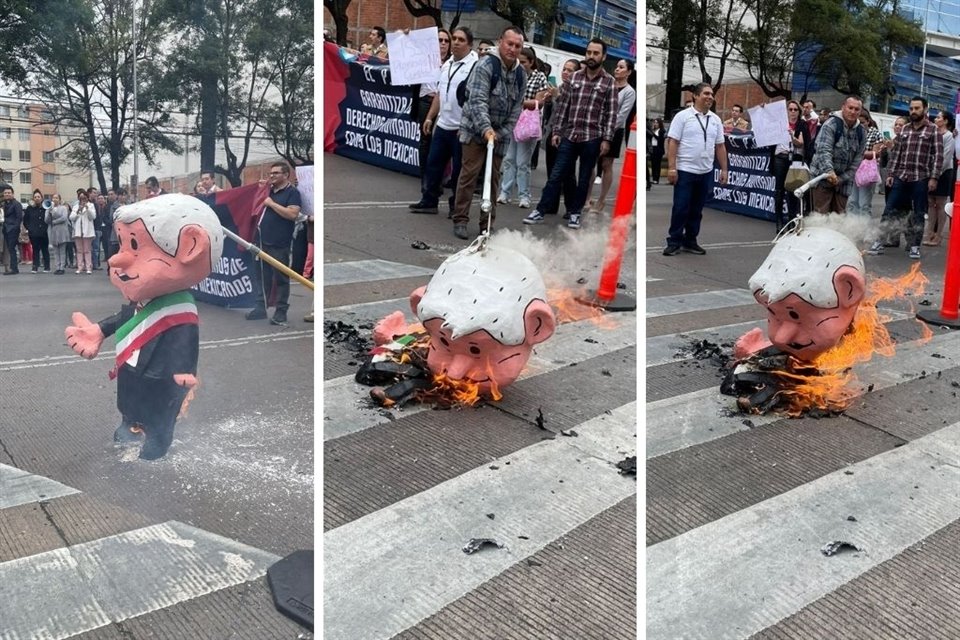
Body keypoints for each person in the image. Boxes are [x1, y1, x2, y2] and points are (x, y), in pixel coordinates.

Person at [64, 194, 224, 461]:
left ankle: (159, 438)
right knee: (131, 402)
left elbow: (185, 341)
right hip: (133, 371)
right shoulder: (140, 300)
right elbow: (125, 317)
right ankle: (130, 423)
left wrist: (185, 371)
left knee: (158, 416)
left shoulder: (180, 309)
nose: (116, 260)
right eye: (123, 244)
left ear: (191, 246)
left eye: (135, 245)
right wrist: (100, 330)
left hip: (162, 379)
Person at [522, 37, 617, 230]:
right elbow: (563, 107)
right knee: (556, 174)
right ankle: (540, 210)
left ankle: (575, 213)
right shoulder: (574, 78)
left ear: (603, 56)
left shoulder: (609, 83)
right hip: (570, 135)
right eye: (589, 52)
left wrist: (607, 139)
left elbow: (611, 114)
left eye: (596, 53)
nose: (591, 56)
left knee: (583, 178)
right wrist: (557, 131)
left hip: (592, 137)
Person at [451, 25, 526, 240]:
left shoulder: (521, 74)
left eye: (517, 46)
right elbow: (477, 101)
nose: (513, 49)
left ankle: (487, 223)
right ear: (501, 41)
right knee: (469, 175)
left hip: (499, 134)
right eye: (509, 44)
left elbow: (516, 109)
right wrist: (486, 130)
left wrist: (500, 132)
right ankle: (460, 219)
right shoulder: (485, 65)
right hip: (475, 129)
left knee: (493, 179)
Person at [408, 26, 478, 217]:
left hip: (461, 127)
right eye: (454, 38)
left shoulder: (475, 66)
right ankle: (429, 200)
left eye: (460, 40)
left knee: (458, 172)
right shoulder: (447, 65)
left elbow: (477, 99)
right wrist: (430, 117)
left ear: (470, 44)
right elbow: (440, 93)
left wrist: (467, 124)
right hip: (443, 124)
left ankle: (456, 207)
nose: (455, 42)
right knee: (433, 164)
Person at [868, 96, 943, 259]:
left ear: (925, 110)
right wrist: (891, 174)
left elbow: (938, 156)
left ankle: (915, 245)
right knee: (889, 210)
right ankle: (879, 242)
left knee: (918, 213)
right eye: (911, 109)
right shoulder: (905, 129)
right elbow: (897, 154)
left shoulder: (933, 130)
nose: (914, 111)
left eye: (917, 108)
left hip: (921, 178)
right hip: (901, 177)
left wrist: (934, 178)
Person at [659, 83, 728, 256]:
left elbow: (720, 146)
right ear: (695, 96)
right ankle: (674, 241)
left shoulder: (715, 120)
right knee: (681, 207)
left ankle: (690, 240)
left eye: (711, 94)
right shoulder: (683, 117)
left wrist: (724, 170)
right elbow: (672, 141)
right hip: (685, 170)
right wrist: (672, 168)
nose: (710, 97)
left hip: (705, 171)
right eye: (706, 93)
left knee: (697, 210)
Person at [246, 161, 302, 325]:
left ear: (286, 175)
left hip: (279, 243)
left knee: (281, 278)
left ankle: (281, 311)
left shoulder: (292, 193)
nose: (272, 176)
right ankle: (260, 307)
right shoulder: (267, 191)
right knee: (261, 277)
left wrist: (271, 204)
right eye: (271, 173)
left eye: (276, 173)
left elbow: (292, 214)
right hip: (261, 241)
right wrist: (261, 190)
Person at [498, 46, 550, 209]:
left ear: (532, 62)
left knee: (523, 162)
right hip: (512, 122)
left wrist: (518, 103)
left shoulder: (539, 77)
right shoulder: (513, 73)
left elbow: (539, 102)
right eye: (519, 61)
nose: (520, 64)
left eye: (524, 62)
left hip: (528, 125)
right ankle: (505, 192)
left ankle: (524, 195)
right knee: (509, 159)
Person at [586, 58, 637, 214]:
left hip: (615, 131)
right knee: (590, 163)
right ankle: (587, 198)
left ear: (628, 72)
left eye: (621, 67)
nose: (617, 69)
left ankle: (601, 201)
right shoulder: (608, 84)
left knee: (606, 165)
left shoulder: (630, 92)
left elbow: (622, 115)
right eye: (616, 66)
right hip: (597, 128)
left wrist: (608, 131)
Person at [539, 59, 582, 216]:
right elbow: (552, 114)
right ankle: (552, 204)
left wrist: (557, 98)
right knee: (552, 171)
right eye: (564, 69)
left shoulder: (577, 90)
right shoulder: (559, 88)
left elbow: (570, 113)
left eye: (570, 70)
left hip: (568, 136)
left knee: (567, 174)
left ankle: (572, 207)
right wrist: (549, 100)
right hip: (553, 133)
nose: (565, 72)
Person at [809, 95, 866, 214]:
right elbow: (823, 150)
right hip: (822, 177)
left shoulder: (861, 132)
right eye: (850, 108)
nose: (853, 111)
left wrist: (841, 178)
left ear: (860, 111)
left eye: (857, 109)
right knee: (821, 217)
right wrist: (830, 172)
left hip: (844, 182)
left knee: (839, 219)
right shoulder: (831, 124)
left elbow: (857, 161)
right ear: (843, 107)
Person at [772, 100, 812, 230]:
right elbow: (765, 123)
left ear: (799, 112)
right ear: (786, 111)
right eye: (790, 109)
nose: (793, 112)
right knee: (779, 191)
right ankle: (778, 222)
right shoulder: (779, 123)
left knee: (792, 190)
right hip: (780, 157)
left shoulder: (802, 125)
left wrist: (792, 135)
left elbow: (802, 143)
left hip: (794, 159)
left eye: (795, 109)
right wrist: (763, 109)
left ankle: (791, 220)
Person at [923, 110, 955, 246]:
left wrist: (936, 174)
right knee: (930, 203)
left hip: (944, 173)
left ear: (946, 121)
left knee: (940, 204)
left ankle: (939, 235)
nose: (936, 119)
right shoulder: (934, 134)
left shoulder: (949, 136)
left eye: (939, 117)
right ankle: (930, 232)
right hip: (931, 172)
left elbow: (946, 157)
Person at [846, 110, 883, 217]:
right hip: (853, 170)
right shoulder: (852, 131)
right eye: (858, 122)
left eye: (862, 122)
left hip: (866, 172)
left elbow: (876, 153)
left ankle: (864, 230)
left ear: (868, 121)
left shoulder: (874, 132)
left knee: (864, 204)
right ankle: (852, 227)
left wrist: (859, 154)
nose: (860, 124)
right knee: (852, 202)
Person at [23, 189, 50, 273]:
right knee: (35, 250)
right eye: (35, 197)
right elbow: (25, 221)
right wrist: (29, 229)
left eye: (38, 197)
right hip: (33, 233)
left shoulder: (46, 208)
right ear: (33, 198)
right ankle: (35, 266)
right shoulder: (29, 208)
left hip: (44, 233)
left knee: (45, 249)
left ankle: (47, 266)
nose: (37, 198)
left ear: (41, 198)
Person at [70, 190, 97, 274]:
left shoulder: (91, 205)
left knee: (87, 250)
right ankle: (80, 267)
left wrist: (87, 208)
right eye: (81, 198)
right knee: (79, 250)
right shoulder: (75, 206)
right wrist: (78, 210)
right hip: (78, 231)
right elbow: (71, 218)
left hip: (87, 231)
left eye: (84, 198)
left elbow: (92, 217)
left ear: (87, 197)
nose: (82, 200)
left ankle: (88, 267)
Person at [45, 193, 71, 275]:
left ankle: (62, 267)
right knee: (56, 251)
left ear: (59, 200)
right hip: (53, 231)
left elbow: (64, 218)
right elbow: (46, 220)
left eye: (56, 198)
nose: (54, 199)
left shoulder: (63, 208)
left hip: (62, 230)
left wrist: (54, 216)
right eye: (53, 198)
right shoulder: (48, 208)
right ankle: (57, 267)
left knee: (62, 250)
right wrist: (49, 212)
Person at [2, 184, 24, 275]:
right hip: (5, 229)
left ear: (13, 194)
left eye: (9, 193)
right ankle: (13, 268)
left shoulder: (17, 204)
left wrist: (15, 228)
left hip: (12, 230)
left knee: (12, 249)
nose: (7, 194)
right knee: (9, 249)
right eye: (5, 193)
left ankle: (14, 268)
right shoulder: (4, 204)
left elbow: (19, 218)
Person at [649, 118, 666, 184]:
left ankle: (656, 179)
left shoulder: (662, 131)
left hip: (658, 149)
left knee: (657, 164)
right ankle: (653, 178)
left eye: (657, 123)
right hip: (653, 148)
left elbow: (660, 140)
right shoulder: (654, 130)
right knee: (653, 164)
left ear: (660, 123)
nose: (655, 124)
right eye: (654, 122)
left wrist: (653, 133)